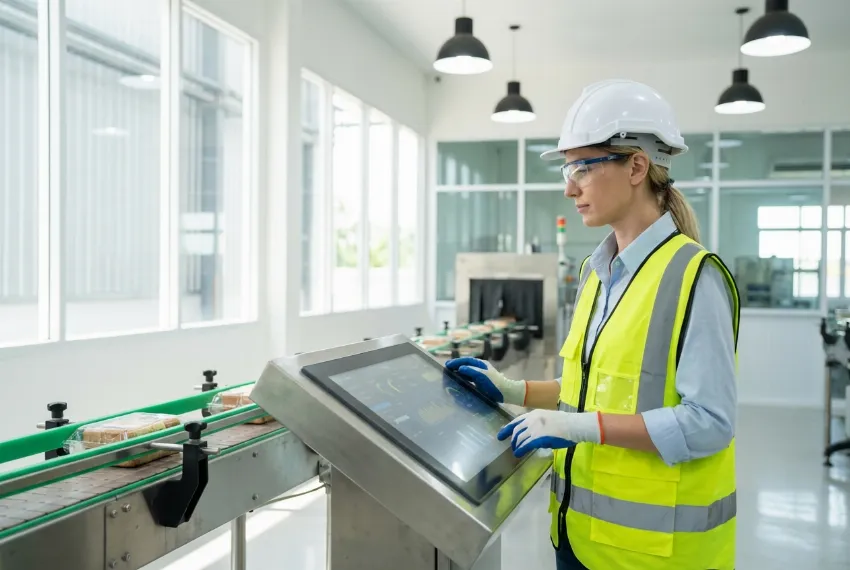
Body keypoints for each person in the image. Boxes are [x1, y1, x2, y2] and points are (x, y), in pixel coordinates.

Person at [446, 79, 739, 570]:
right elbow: (588, 389)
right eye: (568, 168)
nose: (569, 187)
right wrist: (512, 390)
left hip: (655, 555)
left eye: (582, 167)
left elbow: (709, 422)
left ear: (636, 166)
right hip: (580, 535)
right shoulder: (596, 273)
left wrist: (578, 427)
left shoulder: (695, 276)